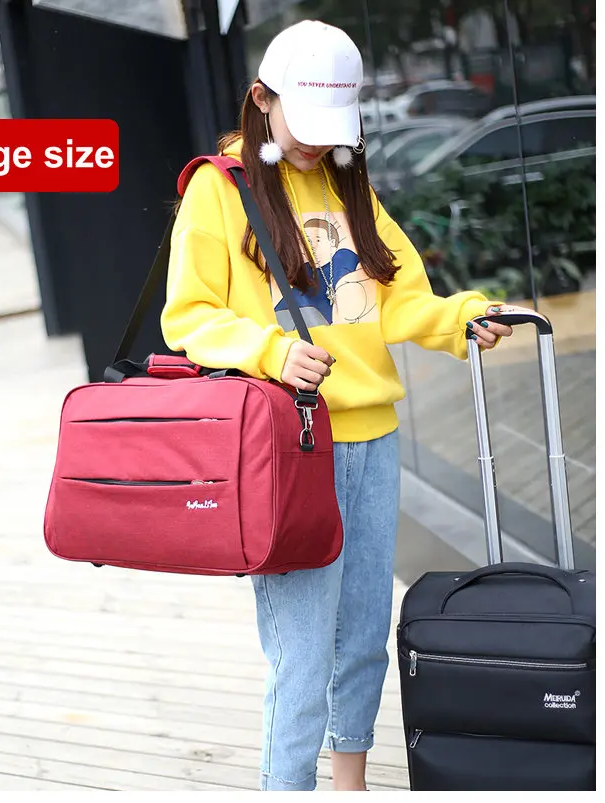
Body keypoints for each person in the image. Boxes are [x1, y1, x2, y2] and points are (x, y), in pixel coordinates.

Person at [160, 19, 527, 792]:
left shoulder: (345, 184)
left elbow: (398, 300)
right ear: (261, 99)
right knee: (300, 650)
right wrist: (270, 352)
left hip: (373, 440)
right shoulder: (219, 189)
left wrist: (461, 315)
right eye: (304, 121)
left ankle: (349, 781)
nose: (316, 142)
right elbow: (187, 315)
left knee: (361, 636)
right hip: (287, 448)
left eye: (332, 124)